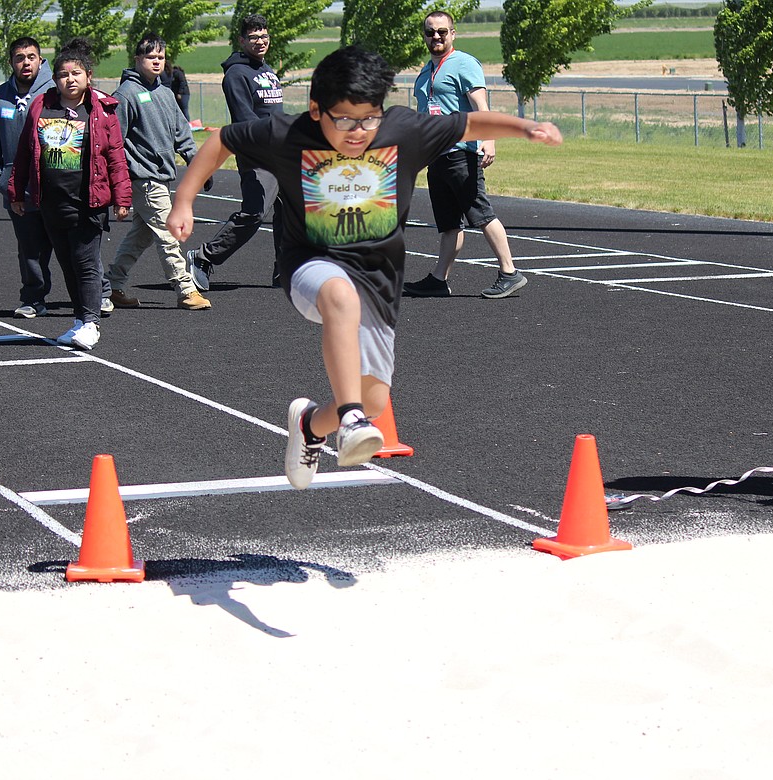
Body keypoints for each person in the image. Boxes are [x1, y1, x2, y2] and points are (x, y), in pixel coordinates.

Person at [166, 46, 562, 489]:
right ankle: (351, 419)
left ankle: (314, 425)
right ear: (316, 111)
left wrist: (526, 127)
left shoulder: (402, 130)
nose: (358, 132)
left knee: (373, 400)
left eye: (368, 118)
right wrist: (184, 199)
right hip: (309, 265)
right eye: (345, 120)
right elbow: (222, 140)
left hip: (379, 276)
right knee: (340, 297)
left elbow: (469, 123)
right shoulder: (288, 134)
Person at [9, 37, 131, 351]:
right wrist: (16, 191)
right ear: (55, 78)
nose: (70, 79)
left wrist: (122, 197)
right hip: (51, 202)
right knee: (67, 262)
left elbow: (116, 155)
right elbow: (25, 150)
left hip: (88, 201)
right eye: (64, 74)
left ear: (88, 76)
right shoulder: (42, 105)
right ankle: (79, 319)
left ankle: (91, 322)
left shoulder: (102, 109)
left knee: (86, 262)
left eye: (76, 73)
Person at [403, 10, 529, 300]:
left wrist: (489, 138)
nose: (436, 36)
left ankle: (509, 272)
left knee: (481, 214)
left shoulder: (464, 64)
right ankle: (439, 279)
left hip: (461, 154)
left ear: (453, 34)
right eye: (431, 32)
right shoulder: (425, 71)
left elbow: (481, 106)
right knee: (449, 224)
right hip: (437, 157)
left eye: (442, 31)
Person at [105, 33, 211, 311]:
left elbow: (183, 135)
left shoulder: (165, 93)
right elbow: (115, 142)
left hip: (162, 178)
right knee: (168, 233)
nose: (156, 62)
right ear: (138, 59)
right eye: (151, 57)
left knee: (139, 237)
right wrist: (119, 187)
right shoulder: (126, 94)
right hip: (143, 178)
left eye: (160, 57)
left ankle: (112, 285)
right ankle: (185, 289)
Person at [185, 13, 284, 291]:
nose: (260, 41)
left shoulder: (267, 71)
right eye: (253, 37)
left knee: (290, 211)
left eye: (263, 35)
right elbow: (245, 118)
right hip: (257, 153)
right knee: (254, 213)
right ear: (242, 40)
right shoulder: (236, 74)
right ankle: (204, 257)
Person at [0, 36, 57, 319]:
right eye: (19, 57)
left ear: (40, 59)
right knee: (30, 250)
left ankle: (93, 295)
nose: (25, 62)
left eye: (31, 56)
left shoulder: (54, 91)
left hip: (55, 187)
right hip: (18, 189)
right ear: (11, 62)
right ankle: (33, 298)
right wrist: (0, 178)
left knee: (73, 245)